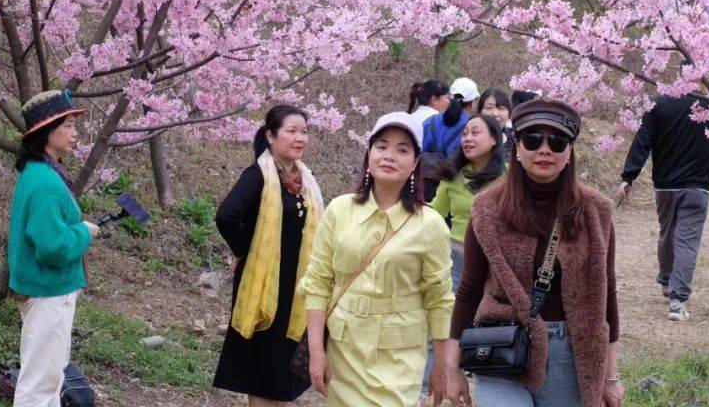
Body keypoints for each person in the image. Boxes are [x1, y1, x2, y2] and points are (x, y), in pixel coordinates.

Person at [445, 99, 622, 407]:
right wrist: (451, 366)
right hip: (502, 344)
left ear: (569, 153)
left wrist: (611, 377)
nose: (544, 150)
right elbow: (469, 290)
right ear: (517, 148)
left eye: (556, 141)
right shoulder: (488, 209)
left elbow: (606, 294)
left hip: (571, 353)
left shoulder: (596, 213)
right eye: (532, 139)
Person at [298, 112, 455, 407]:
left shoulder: (430, 224)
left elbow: (439, 299)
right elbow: (318, 283)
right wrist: (317, 351)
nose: (390, 156)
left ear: (416, 162)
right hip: (344, 350)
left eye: (402, 149)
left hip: (398, 357)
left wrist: (443, 364)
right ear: (369, 153)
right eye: (381, 146)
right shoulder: (339, 210)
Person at [214, 105, 324, 405]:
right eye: (291, 131)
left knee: (283, 375)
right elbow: (226, 216)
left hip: (296, 289)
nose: (300, 138)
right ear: (271, 136)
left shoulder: (304, 179)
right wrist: (248, 252)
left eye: (304, 131)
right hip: (264, 286)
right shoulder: (259, 175)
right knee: (263, 374)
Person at [618, 88, 709, 321]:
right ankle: (677, 301)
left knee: (667, 233)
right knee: (687, 242)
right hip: (697, 187)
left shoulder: (658, 104)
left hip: (665, 185)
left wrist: (629, 177)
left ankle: (667, 281)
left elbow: (642, 140)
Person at [7, 90, 97, 407]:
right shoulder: (45, 181)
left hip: (44, 289)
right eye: (69, 126)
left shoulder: (39, 173)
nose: (75, 134)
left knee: (49, 378)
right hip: (48, 290)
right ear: (47, 132)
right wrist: (84, 232)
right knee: (40, 384)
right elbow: (52, 247)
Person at [430, 114, 507, 288]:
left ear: (494, 139)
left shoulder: (510, 177)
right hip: (457, 259)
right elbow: (436, 211)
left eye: (475, 133)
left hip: (497, 260)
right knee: (455, 311)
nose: (468, 139)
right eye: (465, 134)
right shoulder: (452, 175)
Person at [422, 77, 480, 200]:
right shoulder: (472, 128)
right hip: (454, 188)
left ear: (450, 97)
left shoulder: (430, 121)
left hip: (424, 185)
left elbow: (418, 149)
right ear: (473, 101)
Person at [478, 87, 514, 155]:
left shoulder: (515, 141)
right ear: (480, 112)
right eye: (489, 108)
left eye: (501, 108)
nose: (495, 114)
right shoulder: (470, 139)